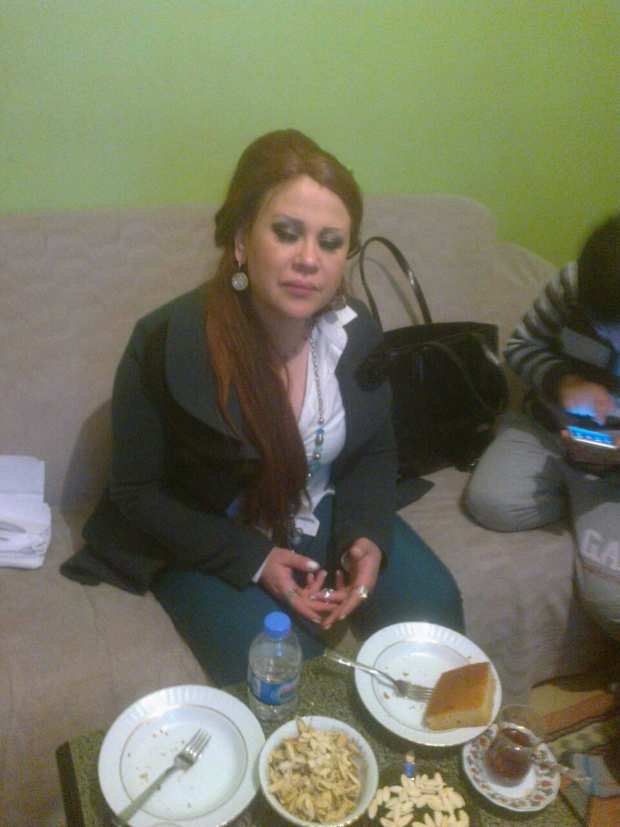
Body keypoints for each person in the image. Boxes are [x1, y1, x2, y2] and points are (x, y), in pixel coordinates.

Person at [62, 129, 464, 684]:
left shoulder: (356, 333)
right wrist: (255, 559)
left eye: (330, 243)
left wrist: (367, 535)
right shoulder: (165, 341)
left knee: (434, 612)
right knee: (284, 668)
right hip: (207, 535)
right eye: (286, 233)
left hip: (320, 507)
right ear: (241, 241)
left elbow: (375, 450)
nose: (309, 259)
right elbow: (137, 492)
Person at [465, 214, 620, 641]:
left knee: (612, 603)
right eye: (605, 331)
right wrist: (563, 382)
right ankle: (578, 499)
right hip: (547, 428)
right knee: (490, 503)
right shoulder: (573, 285)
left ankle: (585, 500)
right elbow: (521, 346)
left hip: (613, 469)